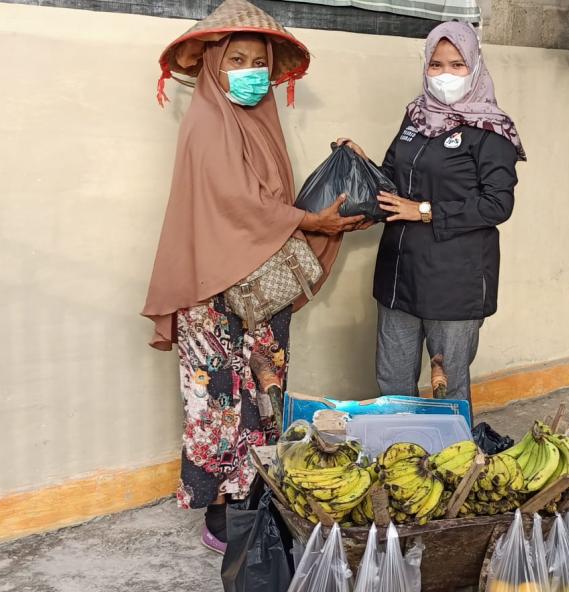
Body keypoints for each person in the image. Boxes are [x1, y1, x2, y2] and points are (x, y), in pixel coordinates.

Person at [142, 1, 366, 555]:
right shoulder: (206, 120)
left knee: (263, 396)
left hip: (258, 289)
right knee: (218, 403)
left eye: (258, 61)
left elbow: (270, 204)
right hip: (211, 291)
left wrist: (340, 172)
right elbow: (236, 203)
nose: (249, 71)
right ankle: (220, 516)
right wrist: (308, 221)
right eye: (236, 59)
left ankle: (255, 502)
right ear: (214, 66)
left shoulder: (259, 122)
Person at [339, 21, 526, 423]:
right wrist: (360, 163)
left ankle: (453, 474)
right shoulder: (415, 119)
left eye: (457, 65)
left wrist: (423, 211)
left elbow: (497, 205)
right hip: (399, 276)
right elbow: (391, 179)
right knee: (392, 383)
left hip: (453, 281)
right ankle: (401, 463)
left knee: (449, 387)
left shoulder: (490, 132)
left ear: (475, 67)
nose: (445, 75)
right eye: (436, 65)